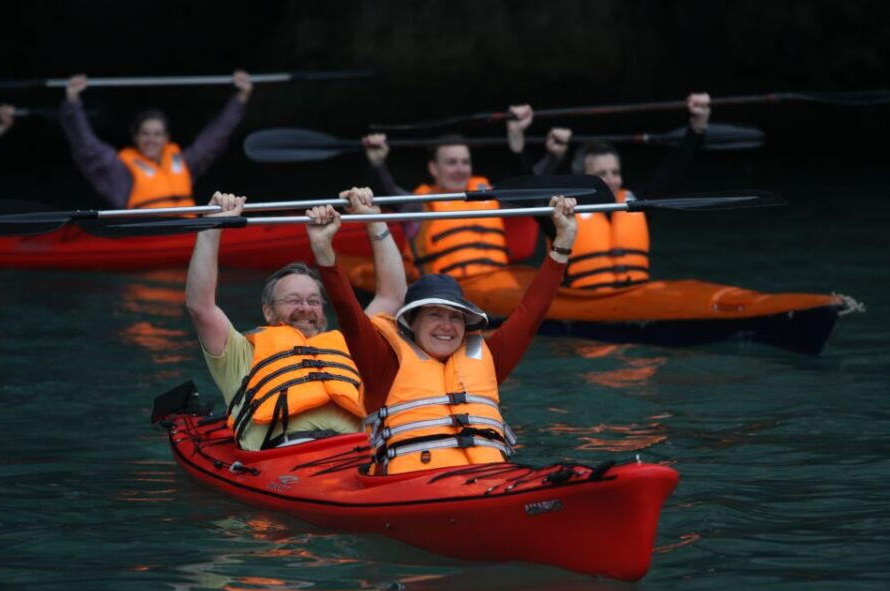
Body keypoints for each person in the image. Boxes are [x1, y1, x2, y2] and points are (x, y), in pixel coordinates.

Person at [305, 188, 577, 475]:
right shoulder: (382, 364)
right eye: (435, 315)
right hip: (409, 486)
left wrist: (563, 242)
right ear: (413, 323)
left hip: (489, 480)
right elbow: (349, 315)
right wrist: (324, 250)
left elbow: (531, 313)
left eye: (455, 317)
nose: (447, 325)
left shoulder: (488, 359)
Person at [185, 189, 407, 451]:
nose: (305, 308)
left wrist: (374, 220)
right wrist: (212, 228)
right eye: (293, 300)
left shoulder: (352, 344)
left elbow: (393, 296)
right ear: (268, 311)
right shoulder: (241, 352)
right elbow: (201, 306)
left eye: (313, 301)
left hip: (356, 452)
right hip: (287, 455)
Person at [361, 106, 563, 279]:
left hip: (496, 291)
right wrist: (378, 164)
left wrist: (552, 156)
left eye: (465, 162)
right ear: (434, 168)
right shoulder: (419, 204)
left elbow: (526, 189)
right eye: (451, 162)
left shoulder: (487, 194)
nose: (460, 169)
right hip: (450, 294)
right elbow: (389, 194)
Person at [534, 93, 711, 290]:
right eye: (602, 174)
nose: (611, 180)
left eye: (615, 172)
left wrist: (697, 126)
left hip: (634, 299)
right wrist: (553, 157)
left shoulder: (635, 204)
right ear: (582, 179)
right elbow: (530, 192)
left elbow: (674, 171)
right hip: (585, 304)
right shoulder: (562, 217)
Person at [59, 71, 252, 209]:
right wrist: (72, 101)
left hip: (185, 231)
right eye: (145, 133)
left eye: (157, 134)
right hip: (147, 233)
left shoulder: (182, 162)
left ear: (166, 138)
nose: (151, 139)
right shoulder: (119, 168)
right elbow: (86, 145)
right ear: (135, 137)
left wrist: (241, 97)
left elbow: (214, 138)